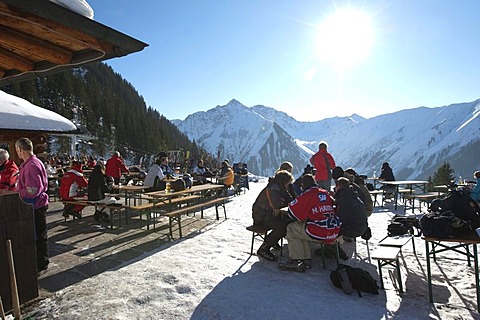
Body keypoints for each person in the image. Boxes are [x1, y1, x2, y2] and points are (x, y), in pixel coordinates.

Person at [279, 174, 341, 272]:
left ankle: (297, 260)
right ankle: (305, 259)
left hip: (321, 231)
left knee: (292, 228)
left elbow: (292, 211)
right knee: (302, 228)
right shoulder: (325, 193)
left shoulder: (307, 194)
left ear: (303, 185)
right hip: (334, 231)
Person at [15, 137, 49, 272]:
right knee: (40, 235)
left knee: (38, 237)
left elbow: (32, 190)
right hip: (36, 205)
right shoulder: (32, 163)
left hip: (35, 206)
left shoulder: (31, 166)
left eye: (17, 150)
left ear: (20, 149)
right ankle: (41, 262)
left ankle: (41, 263)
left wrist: (18, 192)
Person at [252, 170, 294, 261]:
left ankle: (273, 240)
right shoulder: (273, 188)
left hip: (268, 214)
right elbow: (276, 204)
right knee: (282, 226)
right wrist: (280, 205)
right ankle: (264, 248)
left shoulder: (280, 187)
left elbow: (289, 200)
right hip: (261, 216)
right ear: (284, 181)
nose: (288, 185)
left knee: (287, 222)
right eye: (288, 183)